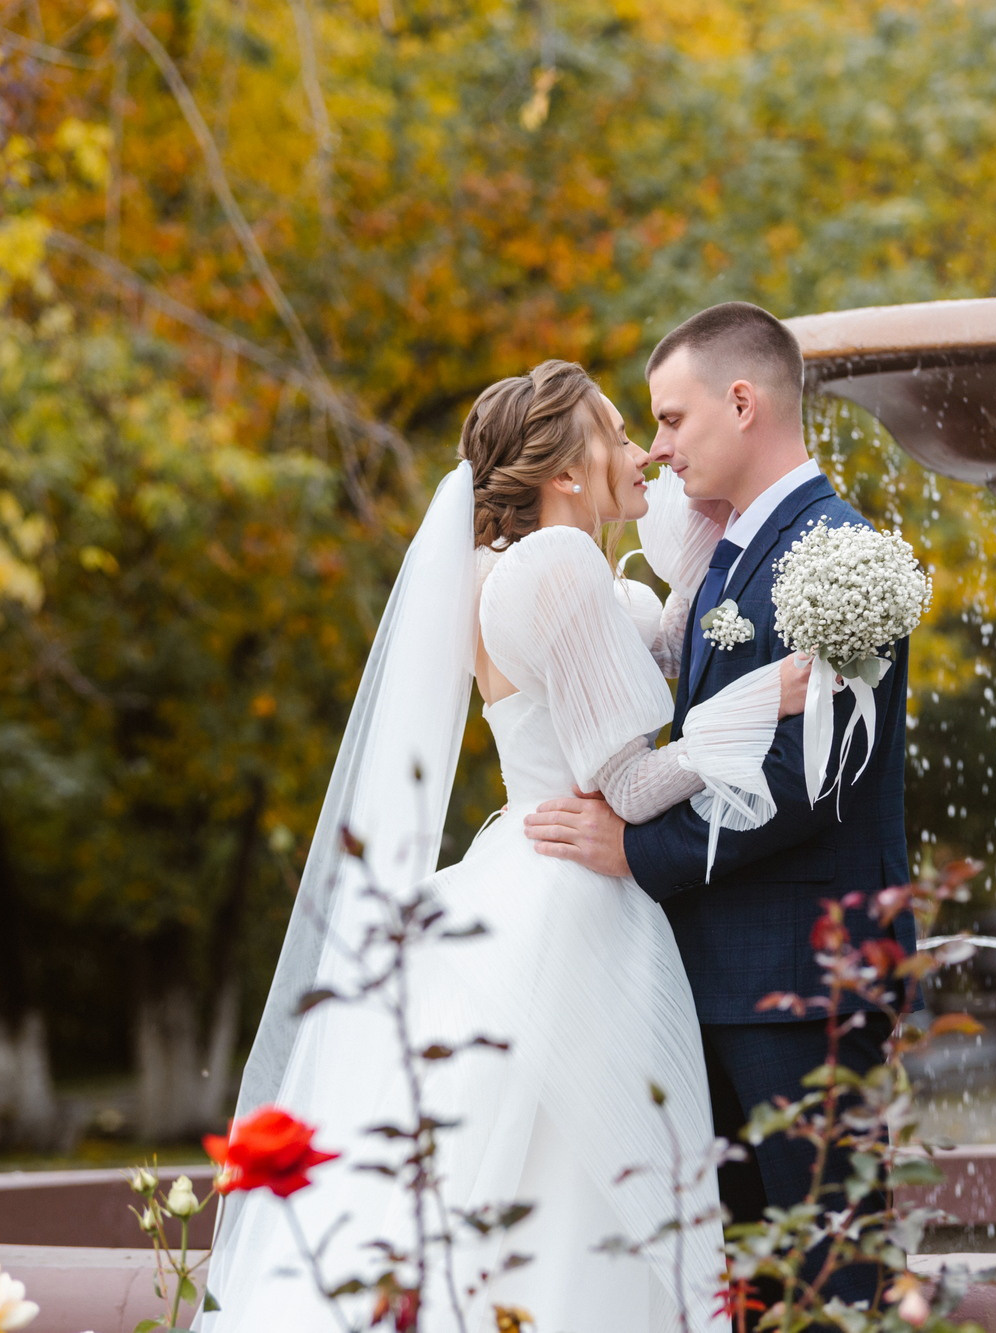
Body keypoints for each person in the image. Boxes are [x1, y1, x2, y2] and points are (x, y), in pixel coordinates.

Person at [202, 360, 813, 1332]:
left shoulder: (522, 570)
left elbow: (641, 664)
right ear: (564, 471)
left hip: (525, 874)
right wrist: (755, 704)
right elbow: (630, 786)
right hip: (578, 894)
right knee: (587, 1183)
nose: (635, 450)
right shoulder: (556, 567)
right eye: (616, 432)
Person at [524, 303, 917, 1310]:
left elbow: (803, 778)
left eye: (668, 419)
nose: (653, 450)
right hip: (712, 978)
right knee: (737, 1289)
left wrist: (636, 851)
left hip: (803, 981)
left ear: (740, 402)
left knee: (831, 1285)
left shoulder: (843, 555)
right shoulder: (719, 554)